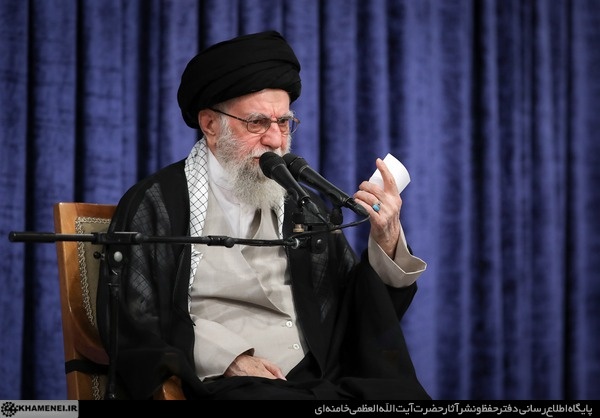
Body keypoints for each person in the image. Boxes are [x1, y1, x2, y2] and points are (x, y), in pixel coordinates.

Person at [97, 30, 430, 400]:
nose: (275, 140)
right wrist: (227, 358)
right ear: (210, 125)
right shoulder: (158, 202)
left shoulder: (302, 205)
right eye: (257, 123)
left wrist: (386, 238)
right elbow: (130, 318)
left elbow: (355, 312)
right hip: (229, 384)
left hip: (320, 377)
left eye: (283, 122)